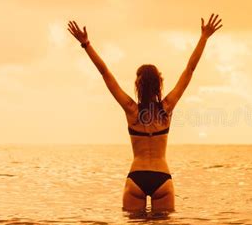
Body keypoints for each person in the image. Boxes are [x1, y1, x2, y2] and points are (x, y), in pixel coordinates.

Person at [67, 14, 223, 212]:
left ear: (138, 84)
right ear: (159, 84)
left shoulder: (131, 109)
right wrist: (204, 37)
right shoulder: (167, 108)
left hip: (137, 177)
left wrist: (86, 44)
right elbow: (190, 69)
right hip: (162, 178)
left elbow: (105, 73)